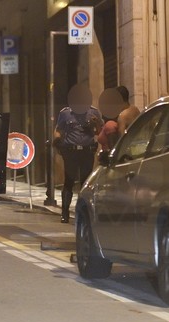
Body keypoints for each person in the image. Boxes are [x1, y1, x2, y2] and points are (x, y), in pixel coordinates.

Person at [53, 84, 103, 223]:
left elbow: (100, 132)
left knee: (85, 183)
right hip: (71, 151)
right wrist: (57, 140)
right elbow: (58, 130)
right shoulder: (65, 113)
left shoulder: (94, 112)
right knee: (68, 181)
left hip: (87, 151)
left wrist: (96, 123)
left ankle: (83, 214)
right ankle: (65, 213)